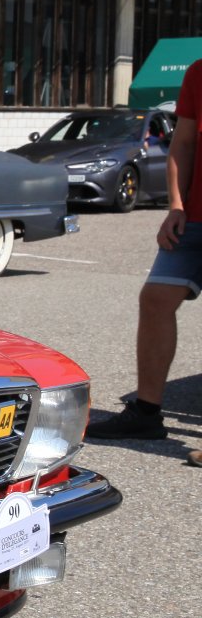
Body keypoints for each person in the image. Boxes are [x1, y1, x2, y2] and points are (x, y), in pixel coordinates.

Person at [87, 57, 202, 444]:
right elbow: (183, 144)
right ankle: (146, 414)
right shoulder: (198, 73)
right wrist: (176, 206)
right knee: (155, 299)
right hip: (194, 217)